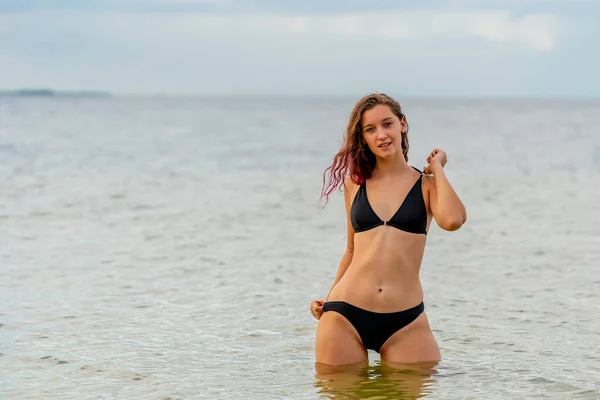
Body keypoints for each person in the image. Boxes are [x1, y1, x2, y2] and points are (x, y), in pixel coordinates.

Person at [310, 92, 467, 367]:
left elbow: (453, 220)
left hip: (406, 320)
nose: (381, 134)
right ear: (364, 138)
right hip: (344, 314)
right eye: (370, 129)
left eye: (387, 124)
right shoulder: (354, 185)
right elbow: (352, 248)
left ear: (402, 125)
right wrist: (329, 294)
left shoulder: (427, 186)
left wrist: (438, 168)